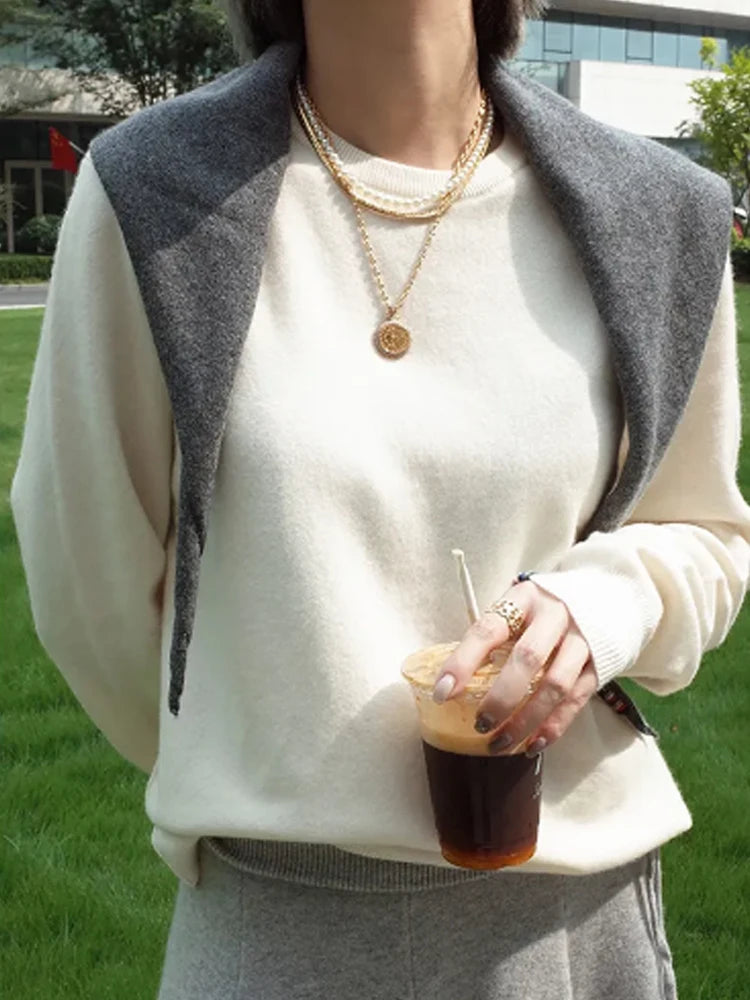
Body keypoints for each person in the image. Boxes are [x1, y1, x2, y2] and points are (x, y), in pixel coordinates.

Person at [10, 0, 750, 997]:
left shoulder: (657, 210)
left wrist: (608, 603)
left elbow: (705, 531)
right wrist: (267, 753)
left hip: (582, 924)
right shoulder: (153, 195)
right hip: (282, 925)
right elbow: (87, 576)